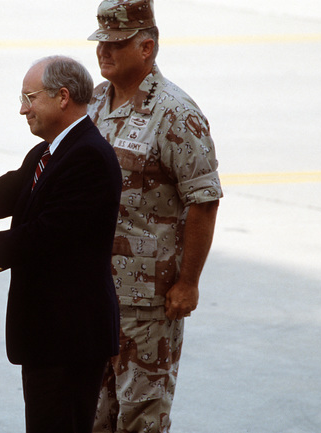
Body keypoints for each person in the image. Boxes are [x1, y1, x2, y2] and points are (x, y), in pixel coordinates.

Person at [0, 55, 122, 433]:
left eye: (29, 97)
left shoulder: (88, 157)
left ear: (62, 97)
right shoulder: (47, 152)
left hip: (69, 337)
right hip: (48, 336)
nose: (23, 109)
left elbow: (46, 235)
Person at [85, 1, 223, 432]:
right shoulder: (95, 103)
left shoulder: (176, 114)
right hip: (96, 292)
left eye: (117, 43)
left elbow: (204, 200)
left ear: (147, 47)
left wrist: (189, 282)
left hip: (147, 300)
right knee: (94, 415)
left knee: (142, 418)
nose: (104, 52)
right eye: (101, 43)